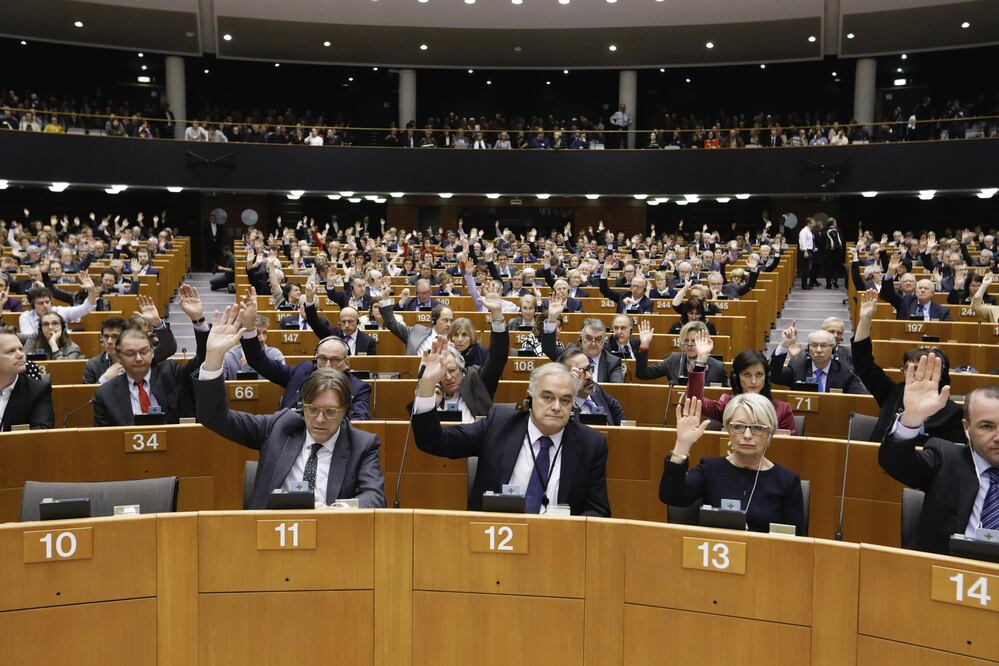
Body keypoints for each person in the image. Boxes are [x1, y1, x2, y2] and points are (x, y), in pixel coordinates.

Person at [194, 306, 385, 509]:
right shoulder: (278, 427)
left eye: (330, 412)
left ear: (345, 411)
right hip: (268, 534)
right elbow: (214, 417)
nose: (320, 419)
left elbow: (374, 496)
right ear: (302, 406)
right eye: (312, 409)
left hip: (333, 535)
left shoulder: (362, 444)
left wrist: (336, 512)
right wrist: (213, 358)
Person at [413, 351, 610, 516]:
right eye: (547, 397)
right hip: (493, 541)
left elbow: (598, 510)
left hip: (557, 547)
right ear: (530, 396)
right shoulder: (500, 423)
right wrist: (427, 386)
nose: (556, 407)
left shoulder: (591, 444)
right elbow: (434, 441)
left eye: (565, 400)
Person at [879, 354, 999, 553]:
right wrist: (912, 418)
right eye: (986, 426)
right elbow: (895, 462)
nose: (997, 437)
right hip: (943, 574)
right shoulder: (945, 458)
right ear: (966, 428)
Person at [660, 395, 805, 534]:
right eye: (738, 427)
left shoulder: (787, 482)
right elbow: (672, 496)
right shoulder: (710, 469)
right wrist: (682, 444)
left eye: (758, 428)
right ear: (728, 430)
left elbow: (793, 542)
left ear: (770, 433)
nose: (747, 435)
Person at [238, 289, 370, 420]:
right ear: (315, 358)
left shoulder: (358, 388)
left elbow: (360, 422)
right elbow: (258, 361)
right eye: (322, 358)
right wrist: (249, 328)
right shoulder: (301, 371)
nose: (327, 365)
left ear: (346, 363)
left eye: (335, 359)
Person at [852, 289, 964, 443]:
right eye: (910, 368)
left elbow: (951, 456)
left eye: (922, 368)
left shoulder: (952, 412)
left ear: (938, 373)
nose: (914, 373)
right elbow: (862, 362)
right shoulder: (892, 393)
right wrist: (865, 319)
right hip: (876, 463)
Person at [93, 284, 208, 425]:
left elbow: (203, 359)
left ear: (152, 353)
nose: (138, 358)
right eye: (130, 353)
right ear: (120, 357)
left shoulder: (170, 373)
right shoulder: (106, 394)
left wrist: (198, 320)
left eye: (143, 351)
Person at [409, 293, 510, 420]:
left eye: (452, 371)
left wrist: (497, 315)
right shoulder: (432, 388)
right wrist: (428, 400)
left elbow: (497, 358)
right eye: (442, 373)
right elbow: (420, 432)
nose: (448, 377)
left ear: (462, 369)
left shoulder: (475, 379)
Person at [685, 336, 797, 433]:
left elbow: (785, 447)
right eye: (747, 375)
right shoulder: (727, 404)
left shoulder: (782, 410)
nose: (753, 381)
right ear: (736, 377)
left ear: (766, 378)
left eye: (759, 374)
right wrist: (700, 361)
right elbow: (694, 401)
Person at [83, 301, 178, 384]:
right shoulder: (93, 365)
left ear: (125, 337)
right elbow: (87, 400)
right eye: (106, 336)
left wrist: (157, 323)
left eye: (115, 337)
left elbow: (169, 348)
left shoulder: (143, 358)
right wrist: (104, 379)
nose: (110, 342)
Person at [541, 298, 624, 383]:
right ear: (581, 337)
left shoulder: (612, 362)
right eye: (589, 338)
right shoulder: (570, 354)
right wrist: (551, 319)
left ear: (604, 340)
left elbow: (616, 390)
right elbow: (548, 348)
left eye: (598, 339)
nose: (593, 343)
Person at [769, 321, 866, 393]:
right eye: (814, 345)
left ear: (832, 349)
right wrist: (784, 345)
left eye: (823, 346)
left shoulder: (846, 372)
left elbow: (859, 397)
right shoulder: (797, 367)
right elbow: (774, 375)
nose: (818, 350)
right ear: (809, 348)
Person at [636, 321, 728, 386]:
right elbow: (643, 374)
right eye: (686, 340)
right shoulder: (673, 360)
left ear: (704, 341)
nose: (689, 344)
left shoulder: (718, 367)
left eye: (694, 341)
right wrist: (644, 345)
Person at [0, 326, 54, 430]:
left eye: (21, 349)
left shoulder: (38, 390)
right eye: (11, 351)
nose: (21, 355)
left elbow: (41, 431)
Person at [559, 348, 624, 426]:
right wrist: (571, 391)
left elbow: (617, 411)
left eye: (589, 369)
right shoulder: (563, 407)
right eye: (581, 372)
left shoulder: (596, 389)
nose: (589, 376)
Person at [18, 276, 98, 336]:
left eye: (47, 302)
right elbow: (28, 338)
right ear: (33, 305)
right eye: (40, 303)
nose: (45, 305)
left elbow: (87, 307)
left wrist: (91, 290)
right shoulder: (26, 317)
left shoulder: (60, 311)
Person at [381, 298, 454, 356]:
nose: (449, 324)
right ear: (434, 321)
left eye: (451, 321)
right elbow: (392, 324)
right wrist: (385, 299)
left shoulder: (455, 339)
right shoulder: (416, 332)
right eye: (445, 320)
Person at [223, 314, 286, 380]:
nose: (262, 338)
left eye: (264, 333)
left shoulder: (275, 355)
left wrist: (256, 363)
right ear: (242, 335)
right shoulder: (228, 357)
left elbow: (281, 384)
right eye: (257, 333)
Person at [879, 274, 952, 321]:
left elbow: (949, 330)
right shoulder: (905, 303)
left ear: (932, 293)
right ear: (916, 291)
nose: (922, 290)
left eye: (926, 288)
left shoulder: (942, 311)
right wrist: (890, 272)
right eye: (920, 288)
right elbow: (886, 294)